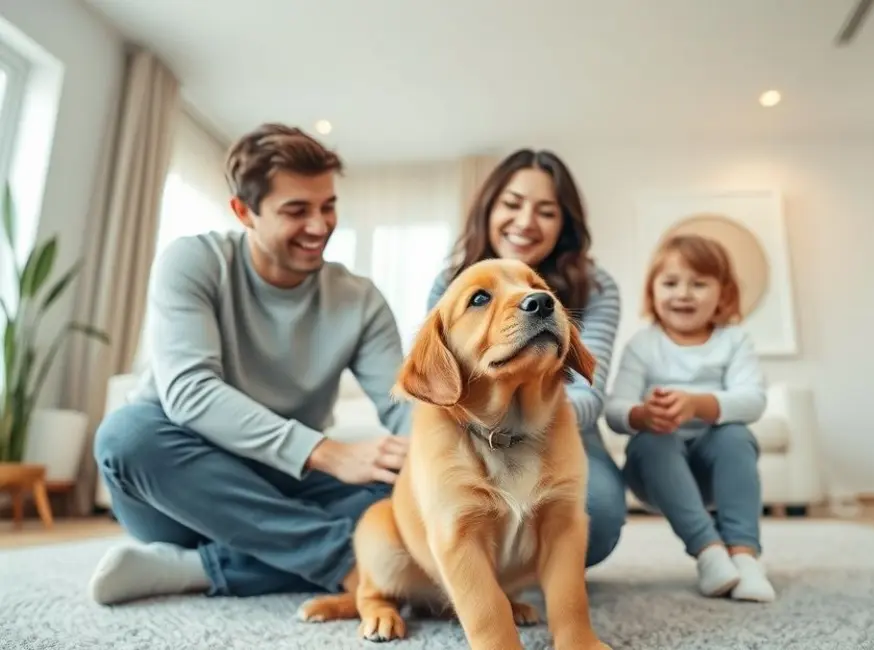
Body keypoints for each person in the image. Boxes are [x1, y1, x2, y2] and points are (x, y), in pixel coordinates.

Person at [88, 123, 412, 605]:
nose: (319, 226)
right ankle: (348, 563)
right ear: (243, 211)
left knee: (405, 494)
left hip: (283, 486)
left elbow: (403, 402)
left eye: (328, 206)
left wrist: (435, 463)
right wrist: (327, 452)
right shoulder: (193, 262)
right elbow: (190, 392)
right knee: (125, 435)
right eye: (296, 211)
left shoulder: (360, 300)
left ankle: (196, 568)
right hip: (183, 483)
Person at [426, 149, 626, 568]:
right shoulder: (449, 284)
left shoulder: (595, 286)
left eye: (546, 212)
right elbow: (440, 387)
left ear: (564, 224)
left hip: (568, 430)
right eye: (512, 204)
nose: (525, 222)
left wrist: (524, 424)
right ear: (488, 208)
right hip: (471, 434)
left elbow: (588, 394)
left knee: (600, 516)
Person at [604, 233, 775, 602]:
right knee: (653, 440)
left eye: (699, 284)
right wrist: (644, 415)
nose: (683, 294)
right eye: (670, 283)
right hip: (655, 473)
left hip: (714, 473)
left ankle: (744, 555)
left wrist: (697, 405)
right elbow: (615, 411)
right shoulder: (643, 345)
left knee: (735, 435)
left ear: (723, 294)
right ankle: (709, 552)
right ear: (652, 291)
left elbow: (753, 401)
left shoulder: (734, 341)